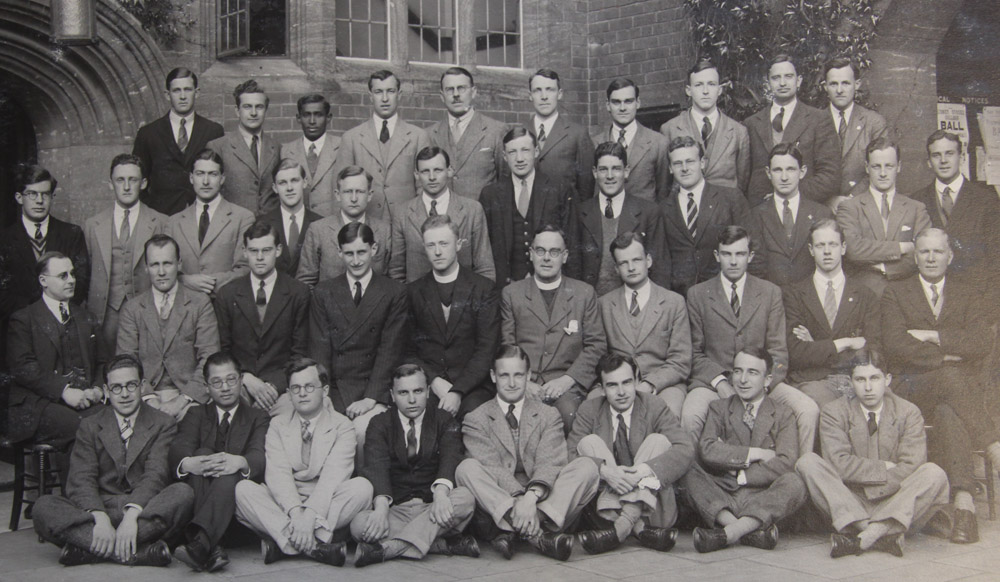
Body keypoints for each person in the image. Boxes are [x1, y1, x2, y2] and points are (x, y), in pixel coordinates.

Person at [881, 228, 1000, 544]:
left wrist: (935, 337)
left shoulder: (967, 293)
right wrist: (948, 355)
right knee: (950, 376)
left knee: (949, 413)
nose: (931, 258)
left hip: (954, 397)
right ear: (916, 256)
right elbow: (895, 344)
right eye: (924, 252)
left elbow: (983, 341)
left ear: (950, 255)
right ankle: (993, 444)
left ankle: (964, 506)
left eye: (937, 252)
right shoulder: (896, 292)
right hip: (913, 388)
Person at [32, 353, 194, 567]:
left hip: (144, 509)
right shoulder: (90, 425)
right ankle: (140, 553)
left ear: (142, 386)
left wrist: (131, 517)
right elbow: (82, 479)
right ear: (107, 391)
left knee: (183, 494)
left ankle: (90, 548)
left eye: (131, 385)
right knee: (43, 506)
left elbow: (156, 475)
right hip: (101, 509)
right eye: (116, 387)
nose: (125, 394)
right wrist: (99, 518)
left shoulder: (163, 423)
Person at [795, 348, 949, 559]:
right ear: (851, 382)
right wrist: (882, 467)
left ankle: (863, 537)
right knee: (808, 462)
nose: (868, 387)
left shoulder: (908, 411)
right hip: (851, 500)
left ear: (887, 379)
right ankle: (883, 533)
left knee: (934, 473)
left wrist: (876, 485)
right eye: (860, 380)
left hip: (896, 499)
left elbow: (912, 465)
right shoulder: (834, 411)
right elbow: (838, 464)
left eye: (874, 378)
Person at [682, 226, 819, 457]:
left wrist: (762, 386)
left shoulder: (769, 292)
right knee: (690, 415)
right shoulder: (698, 294)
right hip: (716, 383)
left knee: (808, 409)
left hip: (762, 382)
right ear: (717, 256)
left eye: (740, 254)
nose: (733, 261)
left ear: (750, 256)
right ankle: (694, 482)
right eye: (727, 254)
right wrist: (721, 384)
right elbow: (694, 353)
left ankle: (800, 476)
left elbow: (778, 350)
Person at [455, 344, 600, 561]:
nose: (512, 383)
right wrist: (520, 501)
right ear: (493, 376)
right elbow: (491, 467)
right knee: (466, 469)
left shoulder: (549, 414)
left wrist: (530, 499)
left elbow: (550, 463)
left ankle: (514, 529)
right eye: (504, 376)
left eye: (518, 375)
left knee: (587, 467)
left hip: (543, 499)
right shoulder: (476, 418)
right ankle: (539, 536)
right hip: (501, 499)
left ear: (529, 376)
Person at [234, 357, 373, 566]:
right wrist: (296, 512)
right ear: (288, 394)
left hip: (326, 500)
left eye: (309, 386)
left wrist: (309, 517)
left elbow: (332, 478)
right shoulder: (277, 424)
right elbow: (278, 475)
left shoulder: (342, 425)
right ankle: (315, 547)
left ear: (325, 391)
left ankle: (284, 542)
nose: (302, 393)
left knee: (363, 488)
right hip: (288, 501)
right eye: (295, 388)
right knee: (243, 490)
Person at [350, 364, 479, 567]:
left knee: (465, 499)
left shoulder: (443, 419)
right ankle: (439, 544)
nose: (411, 400)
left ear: (428, 392)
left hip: (433, 505)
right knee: (359, 525)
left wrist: (441, 493)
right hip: (397, 509)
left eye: (418, 391)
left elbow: (450, 456)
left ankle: (387, 550)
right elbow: (376, 465)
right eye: (403, 392)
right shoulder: (379, 423)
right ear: (392, 395)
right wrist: (382, 508)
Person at [682, 348, 808, 554]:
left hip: (762, 494)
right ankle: (747, 530)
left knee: (795, 482)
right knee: (687, 468)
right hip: (723, 493)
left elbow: (785, 460)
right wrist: (756, 453)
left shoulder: (783, 413)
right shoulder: (719, 408)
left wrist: (742, 475)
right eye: (738, 371)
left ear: (767, 380)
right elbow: (708, 450)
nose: (742, 379)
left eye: (752, 373)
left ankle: (729, 532)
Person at [571, 353, 694, 554]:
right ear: (601, 389)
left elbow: (685, 449)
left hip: (654, 512)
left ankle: (621, 528)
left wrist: (641, 472)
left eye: (627, 382)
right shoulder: (589, 410)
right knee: (588, 443)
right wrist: (607, 472)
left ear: (637, 381)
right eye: (612, 385)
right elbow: (568, 455)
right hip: (605, 511)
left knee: (658, 441)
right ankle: (639, 530)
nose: (621, 392)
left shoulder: (654, 406)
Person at [309, 222, 408, 450]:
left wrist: (370, 398)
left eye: (361, 252)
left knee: (365, 432)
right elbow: (319, 349)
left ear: (374, 249)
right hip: (334, 391)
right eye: (349, 254)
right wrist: (323, 396)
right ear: (339, 253)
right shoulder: (324, 292)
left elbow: (389, 351)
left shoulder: (394, 292)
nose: (355, 261)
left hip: (372, 391)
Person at [169, 352, 271, 572]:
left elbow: (259, 457)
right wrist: (189, 463)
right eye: (217, 382)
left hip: (235, 516)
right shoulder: (195, 414)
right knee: (203, 454)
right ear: (206, 387)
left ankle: (200, 543)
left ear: (241, 381)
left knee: (230, 470)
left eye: (231, 380)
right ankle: (210, 546)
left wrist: (240, 462)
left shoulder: (257, 417)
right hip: (202, 502)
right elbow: (179, 449)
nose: (225, 387)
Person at [501, 225, 607, 431]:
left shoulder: (583, 293)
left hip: (566, 384)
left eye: (554, 252)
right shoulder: (512, 294)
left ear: (565, 256)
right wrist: (523, 383)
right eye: (540, 251)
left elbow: (596, 346)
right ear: (531, 254)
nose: (546, 258)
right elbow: (507, 346)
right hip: (524, 384)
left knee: (568, 415)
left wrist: (567, 381)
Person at [405, 215, 499, 420]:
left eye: (444, 244)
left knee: (477, 419)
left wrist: (458, 391)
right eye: (431, 245)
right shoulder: (413, 292)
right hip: (429, 385)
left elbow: (486, 350)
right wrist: (435, 382)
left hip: (473, 388)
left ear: (458, 244)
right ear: (423, 247)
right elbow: (408, 350)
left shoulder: (483, 289)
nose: (437, 251)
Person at [117, 234, 220, 420]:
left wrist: (182, 401)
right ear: (146, 268)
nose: (161, 272)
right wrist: (150, 400)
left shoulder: (200, 303)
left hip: (190, 397)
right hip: (144, 397)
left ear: (179, 264)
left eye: (168, 263)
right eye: (155, 265)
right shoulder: (132, 309)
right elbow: (126, 361)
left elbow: (209, 358)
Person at [6, 252, 104, 446]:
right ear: (43, 280)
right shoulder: (23, 319)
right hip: (38, 405)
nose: (71, 281)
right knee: (84, 429)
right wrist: (64, 391)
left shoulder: (86, 317)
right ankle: (77, 478)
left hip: (83, 400)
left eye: (73, 274)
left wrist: (98, 389)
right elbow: (24, 369)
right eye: (63, 276)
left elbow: (102, 361)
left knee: (112, 424)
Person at [214, 221, 311, 410]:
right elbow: (223, 350)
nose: (259, 257)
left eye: (266, 250)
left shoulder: (298, 292)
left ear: (278, 250)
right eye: (253, 251)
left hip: (282, 386)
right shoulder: (228, 294)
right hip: (240, 383)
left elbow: (300, 352)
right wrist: (245, 378)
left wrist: (274, 386)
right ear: (244, 251)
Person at [784, 218, 880, 408]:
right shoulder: (794, 294)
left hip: (856, 380)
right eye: (820, 246)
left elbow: (874, 350)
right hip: (812, 381)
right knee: (833, 410)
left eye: (833, 245)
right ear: (811, 250)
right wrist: (845, 343)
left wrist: (817, 347)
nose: (827, 252)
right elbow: (796, 353)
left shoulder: (864, 294)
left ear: (843, 248)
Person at [598, 231, 690, 418]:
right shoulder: (604, 304)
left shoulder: (674, 302)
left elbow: (680, 361)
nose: (631, 267)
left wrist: (649, 384)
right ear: (616, 269)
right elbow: (599, 353)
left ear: (648, 261)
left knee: (667, 415)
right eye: (624, 263)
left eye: (636, 260)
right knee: (596, 413)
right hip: (617, 384)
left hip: (663, 385)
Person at [84, 154, 169, 354]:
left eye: (133, 180)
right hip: (105, 315)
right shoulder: (92, 225)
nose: (127, 186)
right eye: (120, 180)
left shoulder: (161, 222)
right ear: (110, 184)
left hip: (149, 312)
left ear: (144, 183)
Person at [568, 141, 669, 296]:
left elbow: (660, 268)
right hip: (592, 304)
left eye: (616, 169)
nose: (609, 176)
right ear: (595, 172)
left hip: (633, 304)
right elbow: (573, 267)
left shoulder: (648, 212)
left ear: (626, 171)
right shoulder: (581, 211)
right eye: (603, 170)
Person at [480, 126, 577, 288]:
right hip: (506, 287)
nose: (519, 158)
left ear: (536, 151)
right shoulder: (490, 195)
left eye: (525, 150)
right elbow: (485, 250)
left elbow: (572, 241)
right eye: (512, 152)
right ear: (504, 156)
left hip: (551, 284)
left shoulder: (559, 189)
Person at [911, 130, 1000, 301]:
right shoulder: (917, 201)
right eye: (936, 155)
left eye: (949, 154)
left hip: (976, 299)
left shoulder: (987, 200)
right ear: (929, 162)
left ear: (962, 157)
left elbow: (996, 259)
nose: (943, 161)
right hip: (930, 300)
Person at [836, 137, 931, 296]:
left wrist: (882, 267)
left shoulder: (916, 208)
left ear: (898, 167)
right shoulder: (850, 207)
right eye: (876, 166)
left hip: (906, 294)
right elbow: (853, 249)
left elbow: (924, 253)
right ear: (867, 167)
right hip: (864, 294)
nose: (882, 173)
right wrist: (902, 247)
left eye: (889, 166)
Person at [744, 54, 840, 206]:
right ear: (767, 83)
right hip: (762, 213)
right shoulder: (751, 124)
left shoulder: (819, 119)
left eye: (788, 76)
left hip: (804, 209)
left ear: (799, 80)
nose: (782, 83)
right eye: (776, 78)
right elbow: (746, 177)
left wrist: (790, 195)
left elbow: (830, 176)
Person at [389, 146, 495, 283]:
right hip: (417, 300)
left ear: (449, 171)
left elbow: (485, 268)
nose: (432, 177)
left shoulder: (472, 210)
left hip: (464, 299)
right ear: (416, 175)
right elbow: (397, 271)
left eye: (438, 170)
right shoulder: (402, 213)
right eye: (425, 171)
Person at [0, 164, 89, 327]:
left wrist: (54, 313)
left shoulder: (72, 234)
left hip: (62, 326)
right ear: (19, 198)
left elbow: (80, 284)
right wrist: (37, 314)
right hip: (19, 328)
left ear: (52, 196)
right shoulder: (4, 240)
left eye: (45, 194)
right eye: (32, 194)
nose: (40, 201)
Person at [660, 136, 749, 297]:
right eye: (678, 164)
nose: (685, 168)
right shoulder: (662, 209)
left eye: (690, 161)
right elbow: (662, 262)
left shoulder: (730, 198)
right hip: (682, 296)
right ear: (670, 168)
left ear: (702, 163)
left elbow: (751, 247)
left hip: (725, 293)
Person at [339, 70, 430, 220]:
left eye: (391, 91)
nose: (385, 98)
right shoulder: (351, 138)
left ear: (399, 94)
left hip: (407, 221)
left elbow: (423, 187)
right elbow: (342, 188)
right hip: (365, 223)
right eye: (378, 92)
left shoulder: (418, 136)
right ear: (370, 96)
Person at [133, 67, 224, 216]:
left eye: (188, 90)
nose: (183, 96)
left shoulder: (213, 131)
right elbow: (137, 177)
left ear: (197, 92)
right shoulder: (148, 133)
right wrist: (152, 211)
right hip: (162, 216)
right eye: (176, 91)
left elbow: (219, 175)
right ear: (167, 95)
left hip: (202, 215)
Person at [742, 143, 834, 288]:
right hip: (773, 299)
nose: (784, 177)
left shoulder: (821, 213)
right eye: (778, 170)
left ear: (802, 171)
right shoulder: (755, 215)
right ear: (768, 173)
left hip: (811, 297)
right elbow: (755, 267)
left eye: (790, 169)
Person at [168, 148, 256, 296]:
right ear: (191, 178)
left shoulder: (243, 217)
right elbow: (165, 268)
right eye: (200, 174)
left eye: (213, 174)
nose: (206, 181)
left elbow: (246, 267)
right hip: (184, 307)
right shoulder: (173, 222)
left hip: (225, 304)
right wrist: (185, 280)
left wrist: (208, 283)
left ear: (222, 179)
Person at [660, 59, 750, 194]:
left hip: (725, 209)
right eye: (699, 85)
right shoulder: (670, 129)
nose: (706, 91)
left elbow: (742, 183)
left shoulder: (738, 132)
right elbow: (665, 184)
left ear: (719, 90)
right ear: (688, 90)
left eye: (711, 84)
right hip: (687, 209)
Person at [296, 165, 392, 286]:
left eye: (360, 192)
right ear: (337, 194)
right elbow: (305, 282)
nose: (353, 198)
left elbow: (392, 282)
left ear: (370, 195)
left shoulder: (384, 230)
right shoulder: (318, 230)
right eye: (347, 192)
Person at [427, 67, 508, 201]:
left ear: (473, 92)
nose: (456, 94)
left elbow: (505, 182)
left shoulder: (496, 131)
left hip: (483, 217)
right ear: (442, 96)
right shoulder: (430, 134)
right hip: (442, 218)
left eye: (462, 88)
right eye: (450, 89)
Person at [207, 79, 281, 214]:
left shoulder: (276, 147)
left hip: (269, 227)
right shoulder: (218, 147)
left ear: (266, 110)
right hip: (233, 224)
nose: (253, 113)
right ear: (237, 111)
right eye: (247, 107)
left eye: (259, 107)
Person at [824, 57, 888, 207]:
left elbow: (880, 167)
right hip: (823, 207)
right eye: (833, 84)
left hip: (863, 205)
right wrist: (830, 200)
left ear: (857, 84)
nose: (839, 90)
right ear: (825, 86)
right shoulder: (815, 122)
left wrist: (851, 199)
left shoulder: (874, 123)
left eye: (845, 83)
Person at [593, 78, 670, 202]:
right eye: (616, 102)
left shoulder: (658, 143)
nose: (622, 108)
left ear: (638, 103)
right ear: (608, 105)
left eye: (628, 101)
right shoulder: (594, 143)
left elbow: (663, 192)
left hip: (644, 218)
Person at [528, 68, 595, 199]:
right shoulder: (521, 132)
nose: (544, 96)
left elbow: (586, 185)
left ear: (559, 94)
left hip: (565, 215)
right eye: (537, 90)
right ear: (530, 95)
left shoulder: (577, 134)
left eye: (550, 89)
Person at [255, 159, 323, 277]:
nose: (289, 188)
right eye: (282, 183)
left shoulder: (320, 223)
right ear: (275, 188)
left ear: (305, 182)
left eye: (294, 180)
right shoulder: (262, 223)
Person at [280, 94, 342, 216]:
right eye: (306, 115)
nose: (312, 121)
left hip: (334, 222)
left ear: (328, 117)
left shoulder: (342, 146)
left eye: (318, 115)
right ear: (298, 118)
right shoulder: (286, 151)